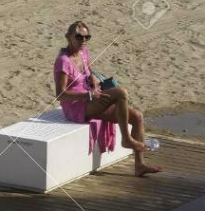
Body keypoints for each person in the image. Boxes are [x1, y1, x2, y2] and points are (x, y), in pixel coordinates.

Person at [54, 21, 159, 175]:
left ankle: (139, 165)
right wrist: (89, 94)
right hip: (77, 105)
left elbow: (88, 73)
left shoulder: (84, 53)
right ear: (69, 37)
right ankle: (126, 139)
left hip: (93, 98)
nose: (83, 40)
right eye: (79, 37)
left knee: (137, 116)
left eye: (87, 37)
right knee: (121, 92)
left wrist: (93, 79)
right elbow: (60, 94)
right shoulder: (63, 61)